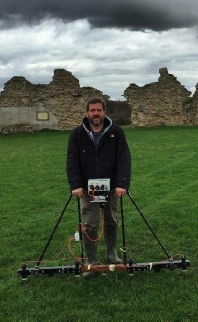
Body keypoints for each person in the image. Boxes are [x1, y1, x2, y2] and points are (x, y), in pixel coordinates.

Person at [66, 97, 131, 276]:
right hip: (88, 187)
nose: (96, 113)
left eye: (99, 110)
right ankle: (92, 261)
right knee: (90, 223)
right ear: (87, 113)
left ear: (104, 112)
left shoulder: (116, 132)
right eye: (92, 110)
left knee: (111, 219)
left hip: (111, 185)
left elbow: (124, 158)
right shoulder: (77, 134)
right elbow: (72, 160)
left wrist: (122, 183)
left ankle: (111, 253)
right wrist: (76, 184)